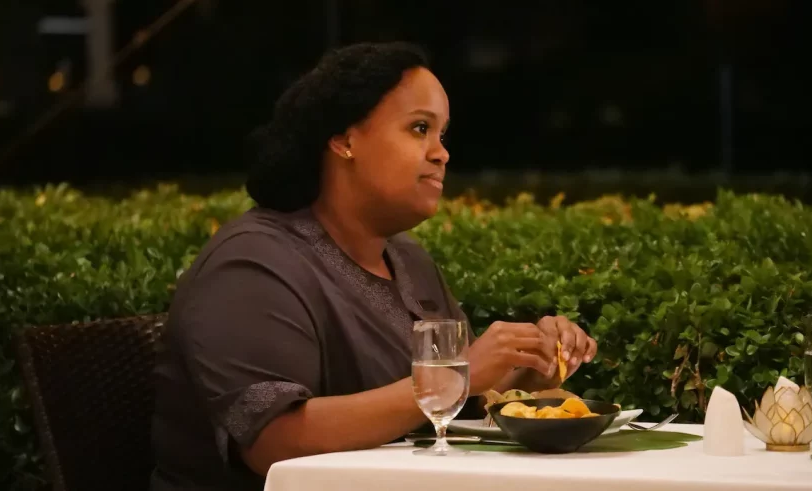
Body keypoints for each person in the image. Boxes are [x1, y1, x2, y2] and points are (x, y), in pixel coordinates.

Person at [149, 41, 598, 491]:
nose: (441, 153)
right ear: (345, 140)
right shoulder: (252, 266)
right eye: (419, 128)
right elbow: (273, 442)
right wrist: (451, 379)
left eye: (442, 135)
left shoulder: (408, 261)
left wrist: (532, 371)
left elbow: (454, 408)